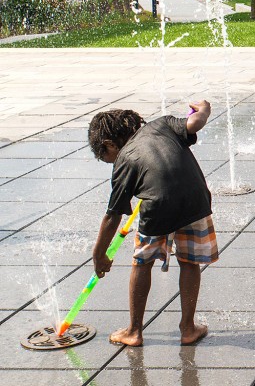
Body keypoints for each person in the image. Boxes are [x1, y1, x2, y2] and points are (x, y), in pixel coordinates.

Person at [88, 101, 217, 346]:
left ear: (109, 144)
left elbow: (113, 215)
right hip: (196, 201)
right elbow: (196, 122)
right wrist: (204, 108)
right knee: (190, 263)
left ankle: (134, 331)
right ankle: (188, 329)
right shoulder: (163, 124)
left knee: (142, 263)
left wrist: (99, 254)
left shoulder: (124, 159)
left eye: (106, 157)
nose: (110, 162)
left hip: (158, 209)